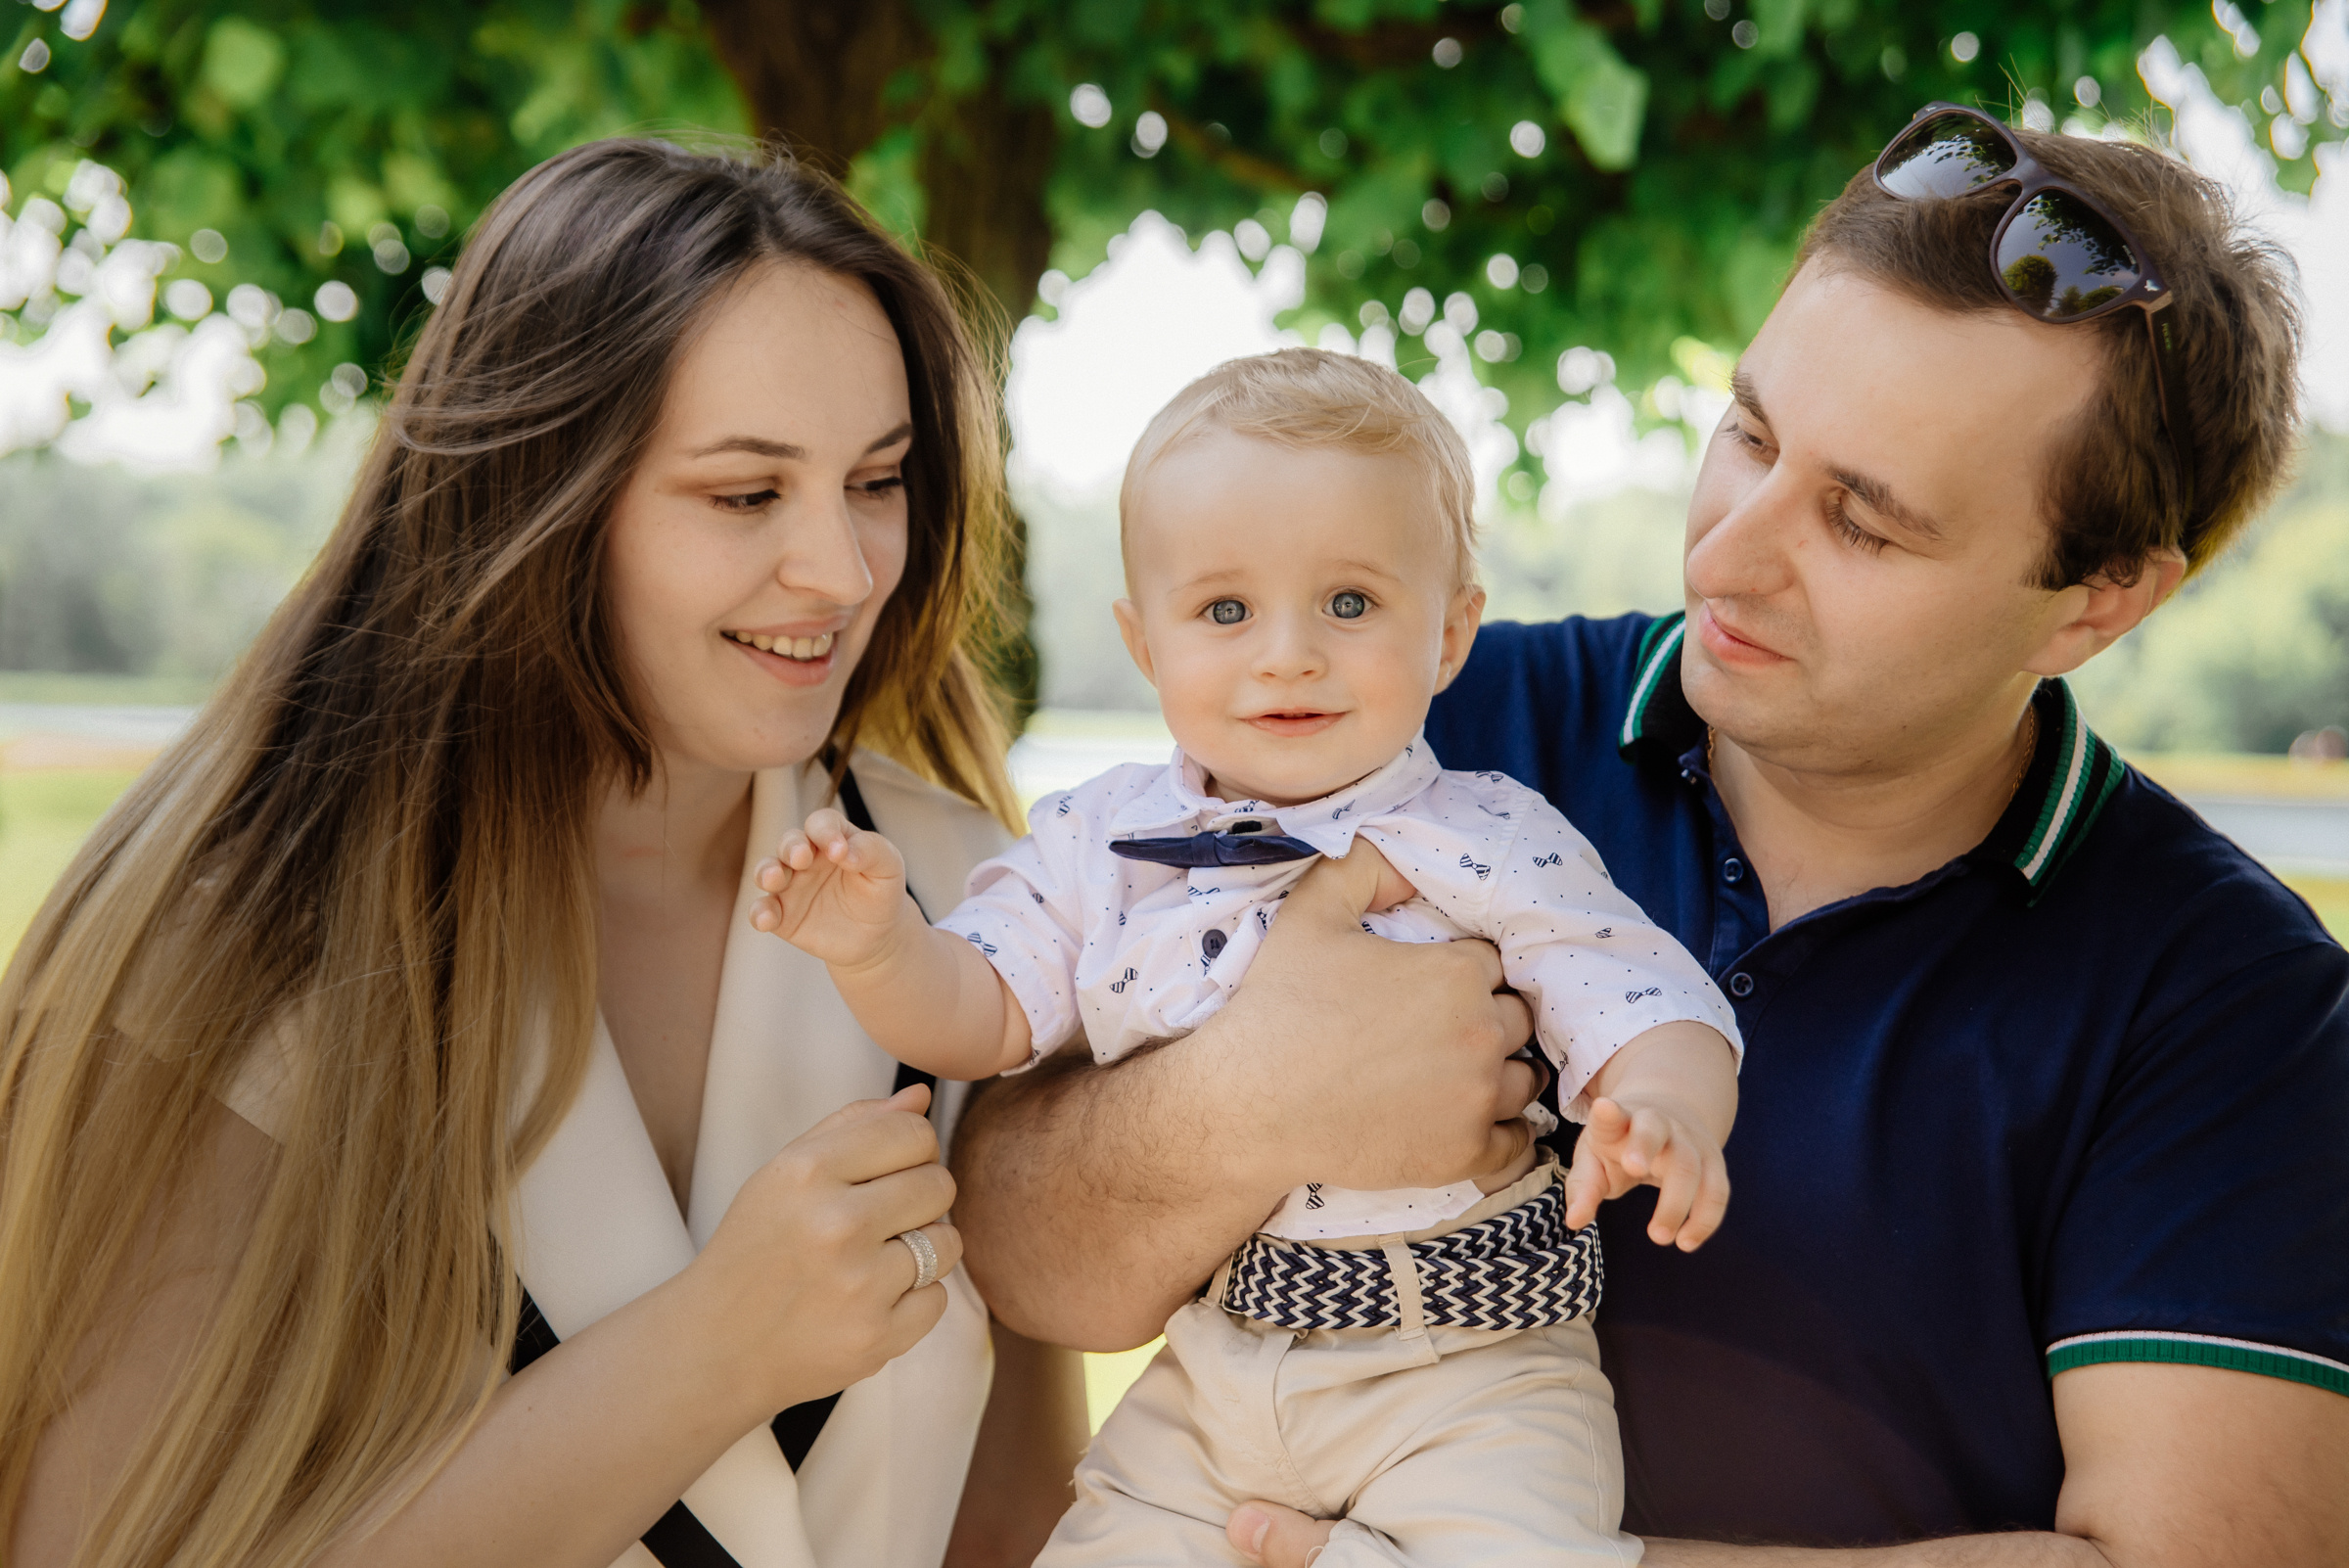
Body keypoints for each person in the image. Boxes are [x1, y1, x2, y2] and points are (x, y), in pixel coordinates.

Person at [948, 109, 2349, 1564]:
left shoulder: (2232, 998)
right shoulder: (1408, 722)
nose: (1728, 552)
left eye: (1863, 521)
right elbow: (1007, 1244)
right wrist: (1251, 1098)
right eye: (1748, 433)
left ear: (2100, 600)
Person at [1, 140, 1085, 1568]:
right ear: (545, 496)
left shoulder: (975, 900)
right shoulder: (234, 953)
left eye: (877, 480)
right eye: (746, 495)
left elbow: (1019, 1523)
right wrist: (713, 1349)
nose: (843, 568)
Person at [752, 348, 1742, 1564]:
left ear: (1450, 634)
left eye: (1349, 604)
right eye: (1226, 611)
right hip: (1215, 1371)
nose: (1287, 654)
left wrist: (1662, 1108)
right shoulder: (1096, 842)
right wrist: (878, 946)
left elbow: (1638, 992)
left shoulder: (1483, 833)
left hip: (1467, 1378)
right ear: (1144, 639)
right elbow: (981, 1012)